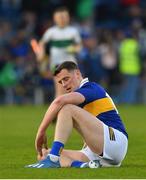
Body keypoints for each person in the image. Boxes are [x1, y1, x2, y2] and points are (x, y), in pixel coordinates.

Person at [27, 61, 128, 168]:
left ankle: (53, 159)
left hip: (115, 141)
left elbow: (59, 101)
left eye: (66, 79)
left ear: (77, 74)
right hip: (100, 150)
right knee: (44, 154)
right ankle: (84, 165)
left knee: (67, 109)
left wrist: (41, 131)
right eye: (61, 82)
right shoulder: (81, 94)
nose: (64, 85)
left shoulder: (91, 87)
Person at [32, 7, 82, 97]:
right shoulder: (51, 31)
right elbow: (42, 43)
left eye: (64, 17)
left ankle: (71, 109)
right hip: (57, 64)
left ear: (68, 18)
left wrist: (74, 49)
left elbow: (79, 46)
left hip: (71, 64)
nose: (62, 19)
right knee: (60, 88)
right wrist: (41, 53)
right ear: (55, 19)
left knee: (74, 89)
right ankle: (59, 109)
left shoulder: (73, 31)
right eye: (60, 17)